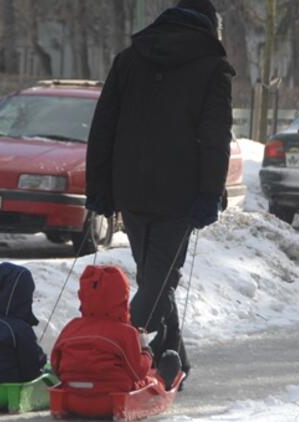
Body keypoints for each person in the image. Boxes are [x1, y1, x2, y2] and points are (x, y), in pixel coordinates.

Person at [85, 0, 234, 386]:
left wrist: (100, 187)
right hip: (180, 193)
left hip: (130, 187)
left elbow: (103, 127)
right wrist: (208, 192)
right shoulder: (213, 68)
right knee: (159, 281)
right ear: (210, 26)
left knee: (157, 277)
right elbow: (215, 138)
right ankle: (109, 351)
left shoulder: (130, 58)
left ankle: (175, 363)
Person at [50, 265, 181, 396]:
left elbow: (55, 364)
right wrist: (145, 349)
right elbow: (137, 372)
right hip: (113, 394)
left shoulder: (71, 327)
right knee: (153, 378)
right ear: (122, 298)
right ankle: (163, 379)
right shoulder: (125, 333)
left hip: (72, 392)